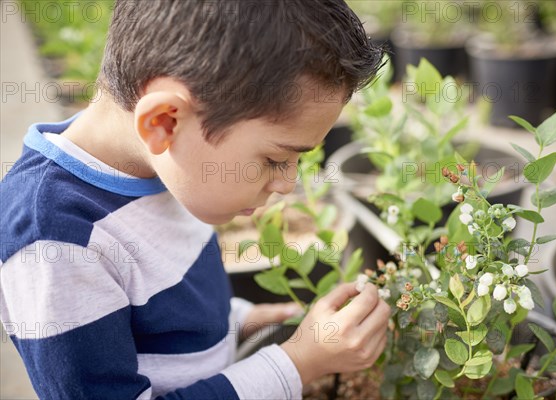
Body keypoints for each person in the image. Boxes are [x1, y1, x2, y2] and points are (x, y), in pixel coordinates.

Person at [0, 1, 391, 399]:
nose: (287, 184)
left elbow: (160, 317)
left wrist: (241, 321)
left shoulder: (168, 164)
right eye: (275, 159)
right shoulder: (55, 240)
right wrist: (300, 362)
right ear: (164, 121)